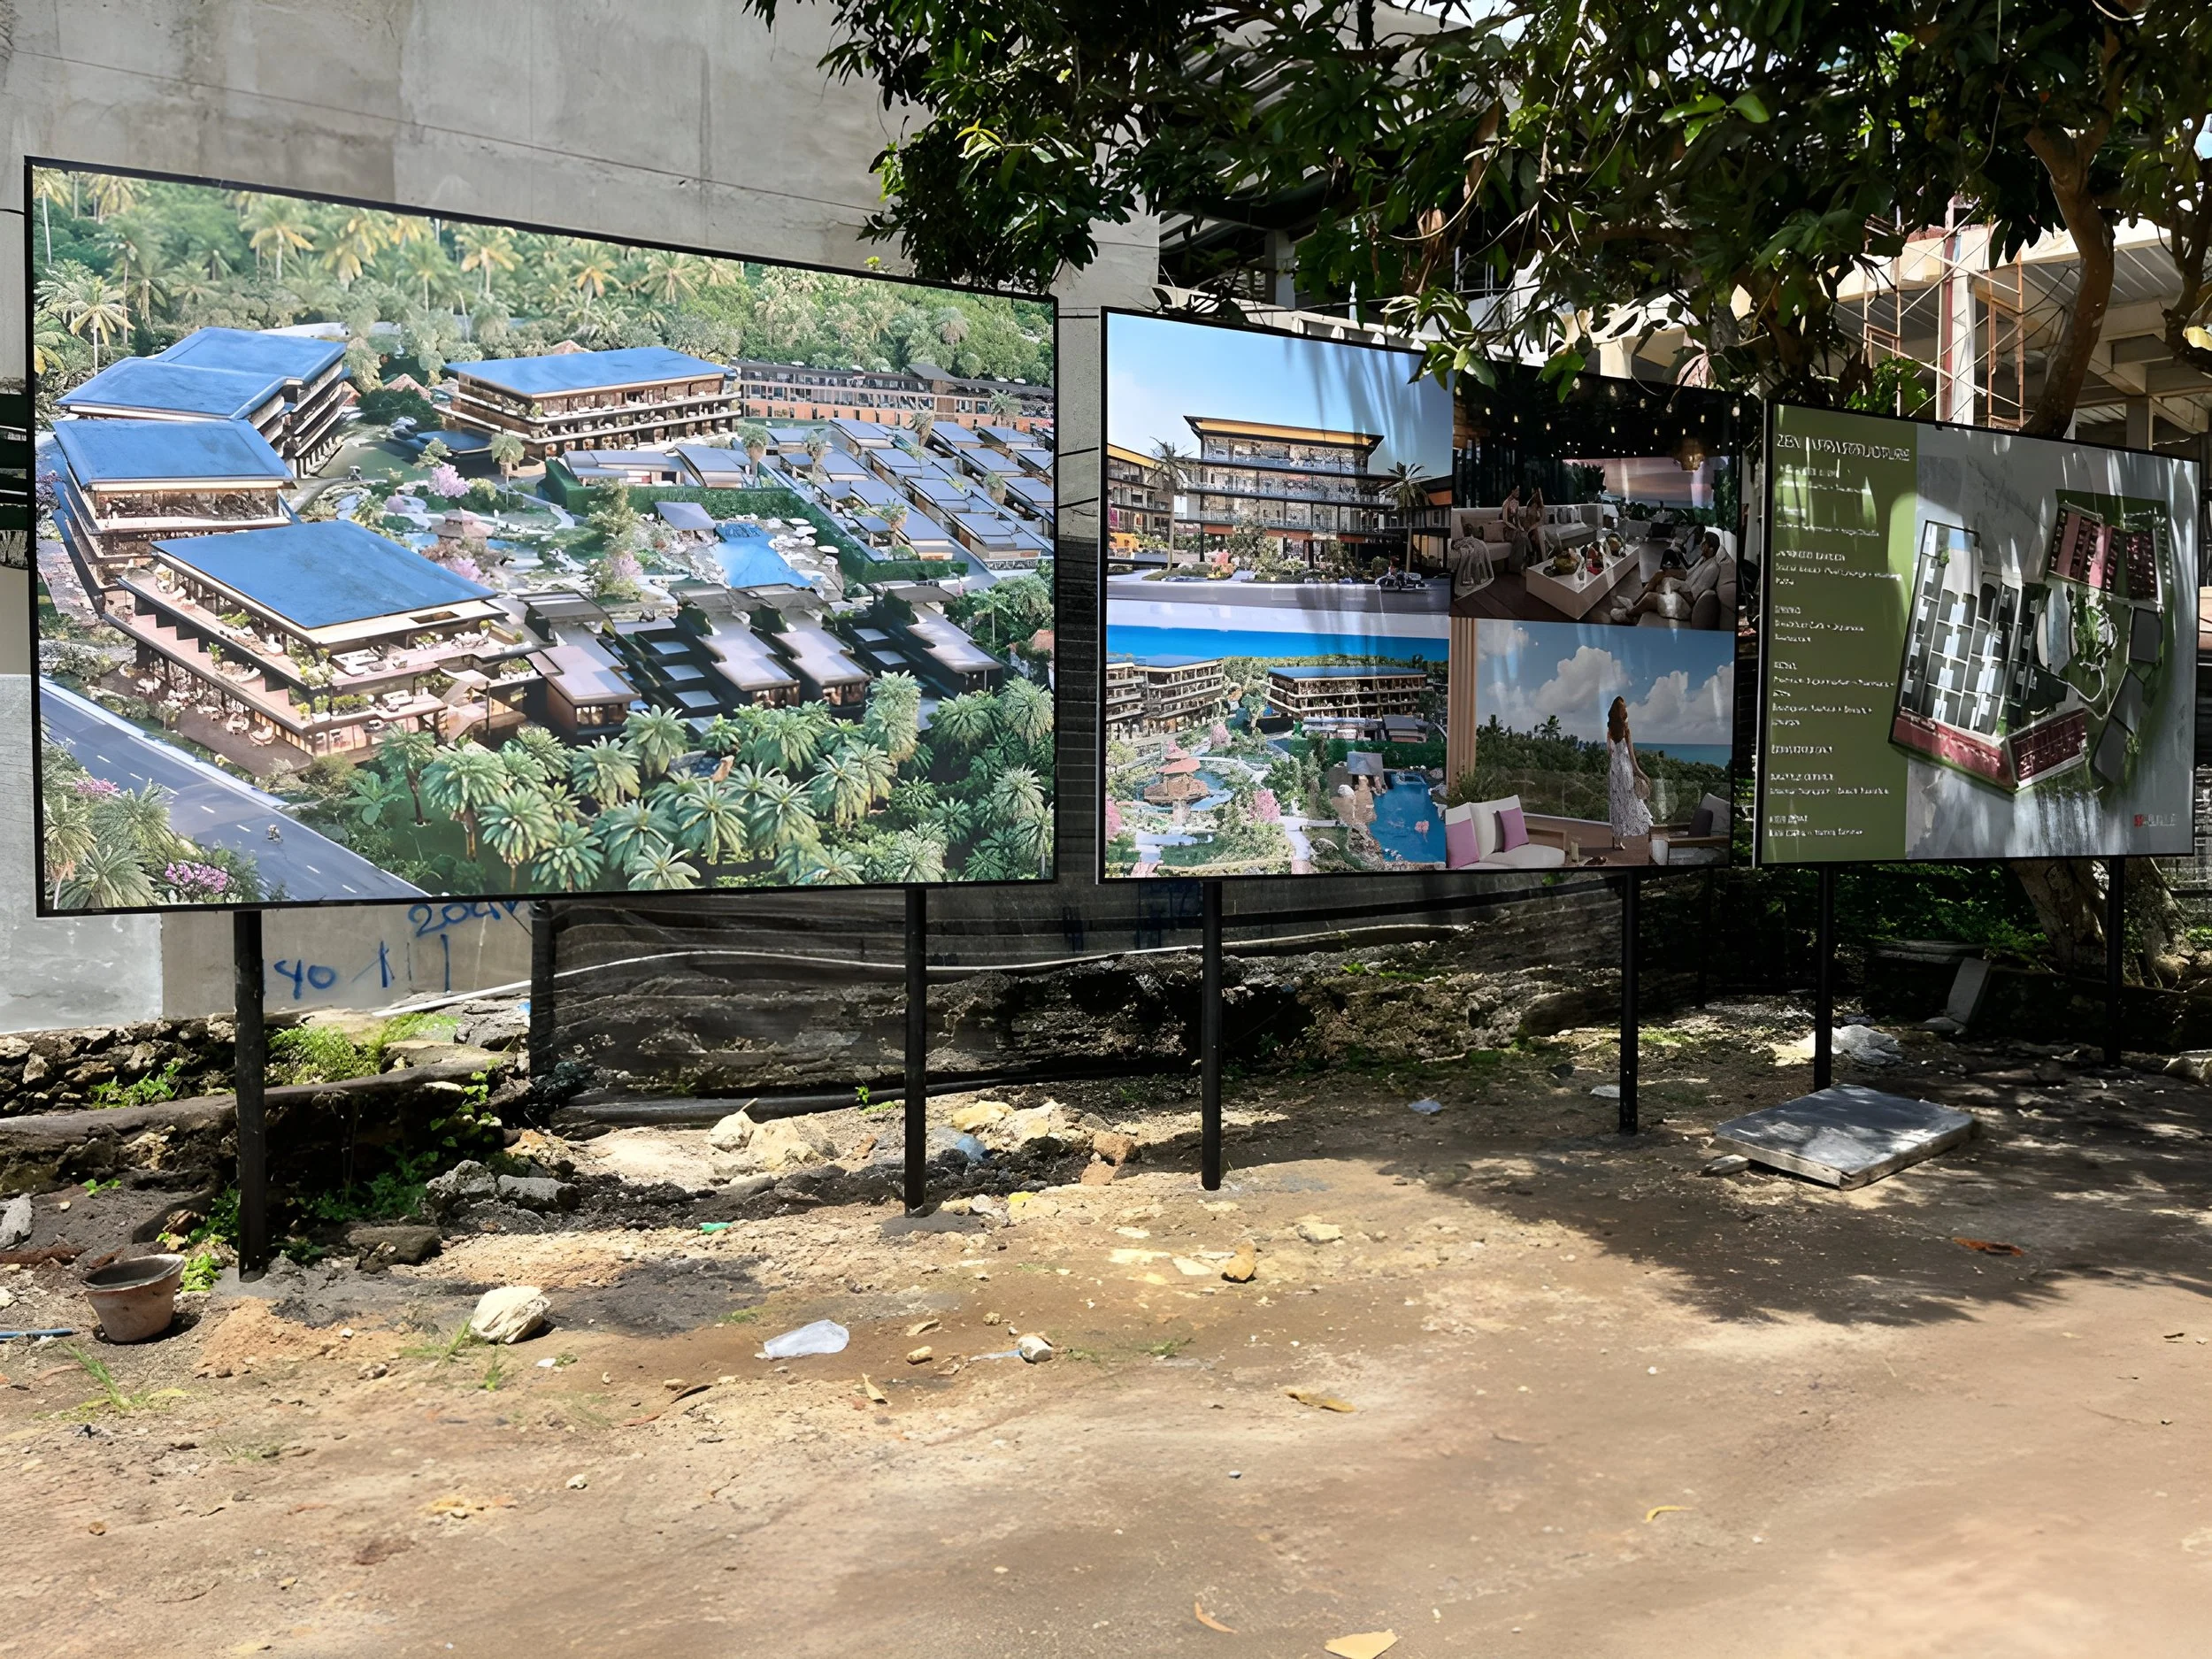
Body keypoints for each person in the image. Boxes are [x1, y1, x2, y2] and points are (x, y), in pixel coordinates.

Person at [1607, 696, 1653, 849]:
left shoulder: (1610, 730)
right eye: (1624, 708)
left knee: (1617, 805)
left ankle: (1617, 840)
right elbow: (1632, 756)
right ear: (1620, 711)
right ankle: (1648, 828)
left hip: (1615, 771)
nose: (1625, 710)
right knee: (1631, 802)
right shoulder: (1626, 730)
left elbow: (1610, 752)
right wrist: (1640, 773)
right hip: (1624, 771)